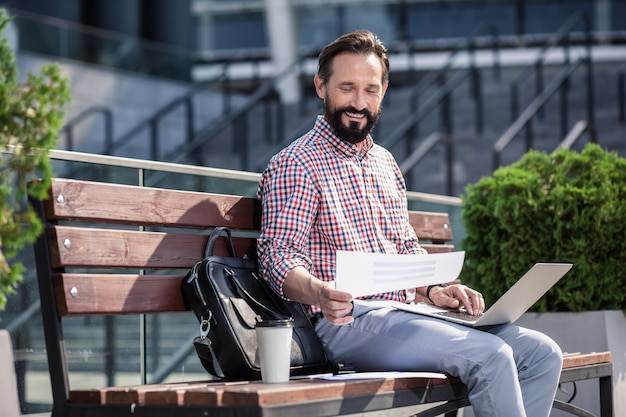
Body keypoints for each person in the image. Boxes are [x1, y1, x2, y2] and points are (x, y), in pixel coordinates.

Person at [256, 29, 562, 417]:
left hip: (408, 314)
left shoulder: (385, 163)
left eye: (370, 90)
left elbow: (404, 248)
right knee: (492, 356)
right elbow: (278, 254)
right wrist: (319, 292)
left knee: (542, 354)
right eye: (347, 88)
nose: (358, 102)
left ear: (383, 90)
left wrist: (435, 290)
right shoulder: (297, 163)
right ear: (321, 86)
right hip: (347, 321)